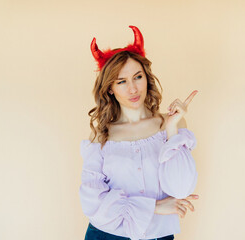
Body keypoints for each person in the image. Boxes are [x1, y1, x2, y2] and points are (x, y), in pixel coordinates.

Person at [79, 25, 199, 240]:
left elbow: (181, 190)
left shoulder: (170, 125)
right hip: (107, 235)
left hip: (158, 236)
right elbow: (92, 202)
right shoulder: (100, 137)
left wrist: (172, 129)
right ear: (109, 88)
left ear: (147, 77)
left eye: (138, 77)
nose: (133, 89)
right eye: (121, 82)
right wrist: (155, 206)